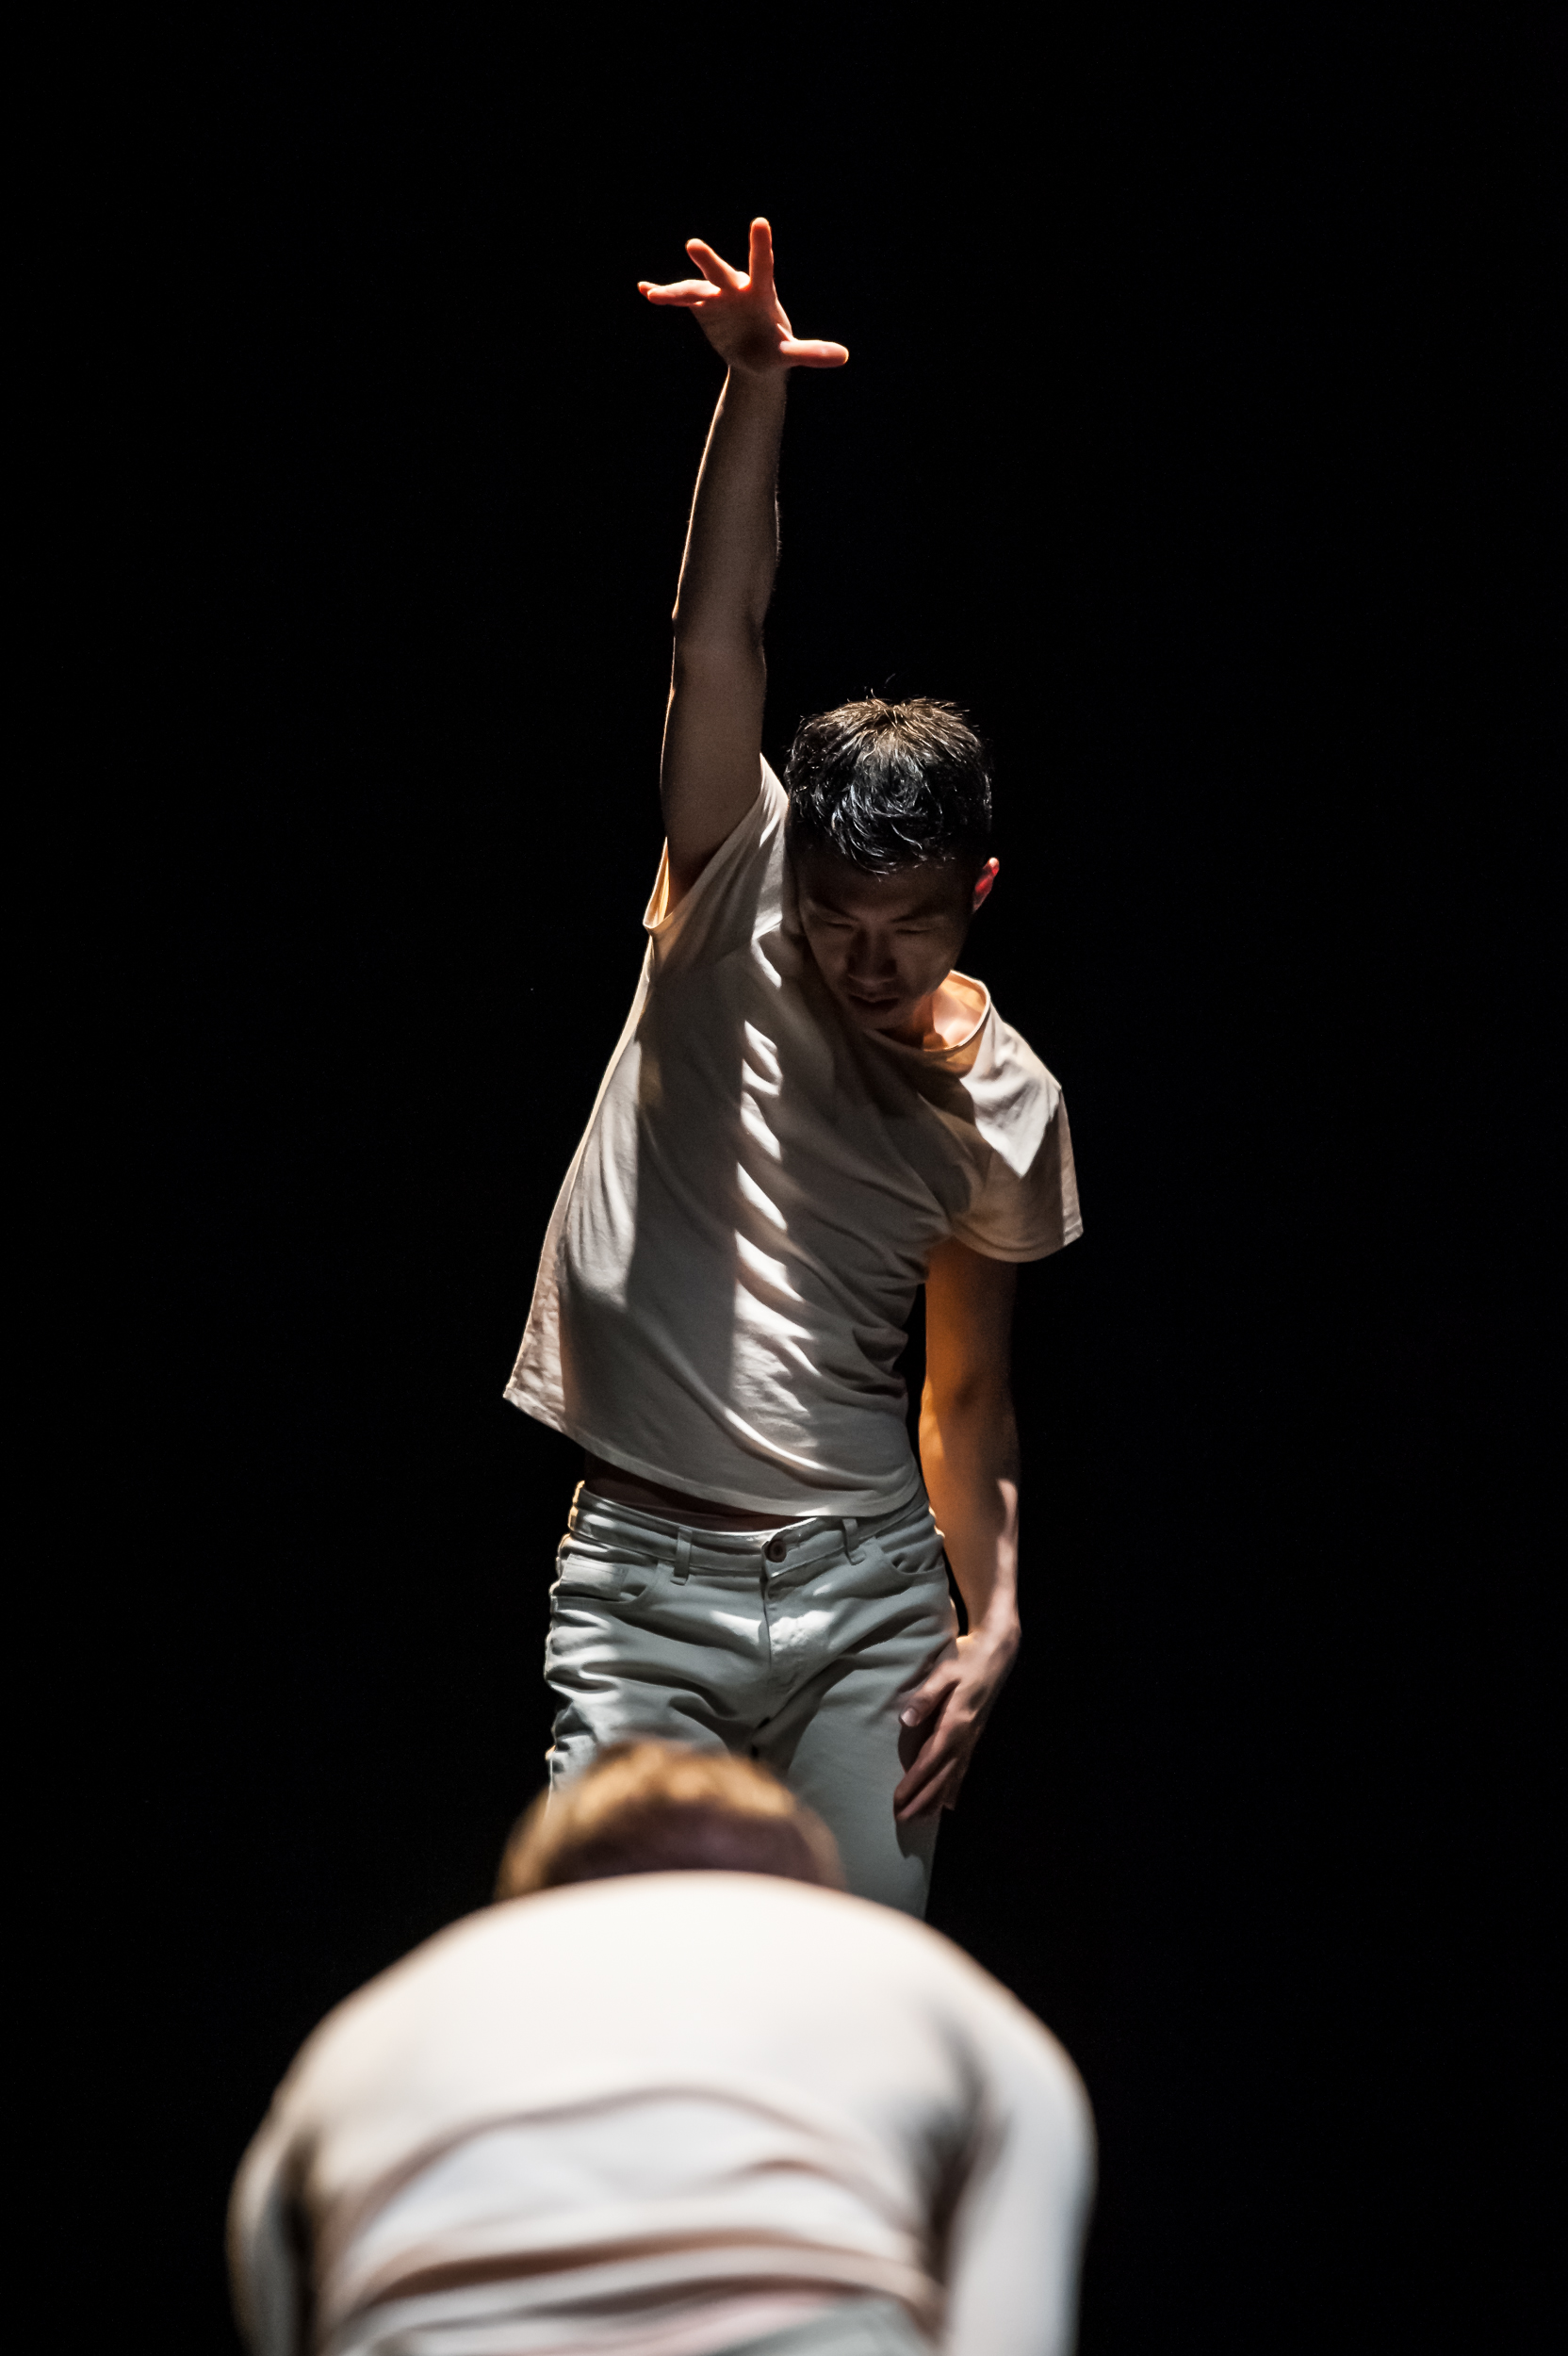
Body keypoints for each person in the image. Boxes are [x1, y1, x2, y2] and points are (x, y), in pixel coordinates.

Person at [506, 221, 1081, 1915]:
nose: (867, 959)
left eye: (910, 925)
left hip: (868, 1600)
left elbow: (963, 1392)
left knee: (852, 2006)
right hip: (642, 1585)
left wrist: (996, 1618)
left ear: (975, 893)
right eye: (838, 921)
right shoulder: (729, 882)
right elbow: (718, 637)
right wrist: (754, 388)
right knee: (606, 1986)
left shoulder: (1010, 1106)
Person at [230, 1742, 1096, 2356]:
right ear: (801, 1884)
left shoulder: (376, 2024)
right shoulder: (922, 1981)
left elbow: (280, 2294)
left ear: (535, 1903)